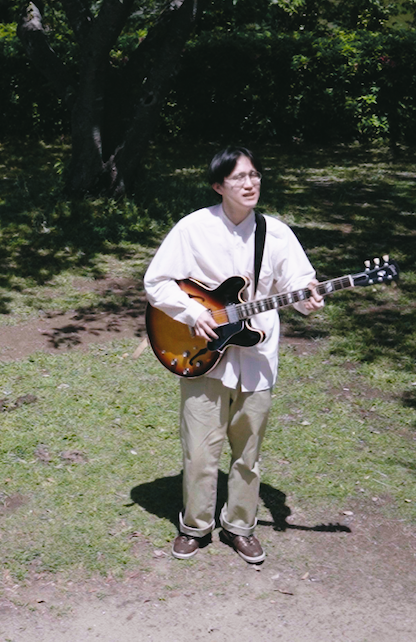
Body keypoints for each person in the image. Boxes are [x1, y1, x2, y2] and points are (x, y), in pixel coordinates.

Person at [143, 146, 324, 564]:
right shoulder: (193, 229)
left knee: (249, 451)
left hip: (257, 356)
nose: (250, 183)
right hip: (202, 353)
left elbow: (299, 282)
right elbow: (157, 282)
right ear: (218, 186)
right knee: (200, 450)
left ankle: (240, 525)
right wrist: (193, 313)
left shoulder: (276, 233)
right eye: (239, 177)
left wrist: (309, 298)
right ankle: (195, 526)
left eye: (255, 175)